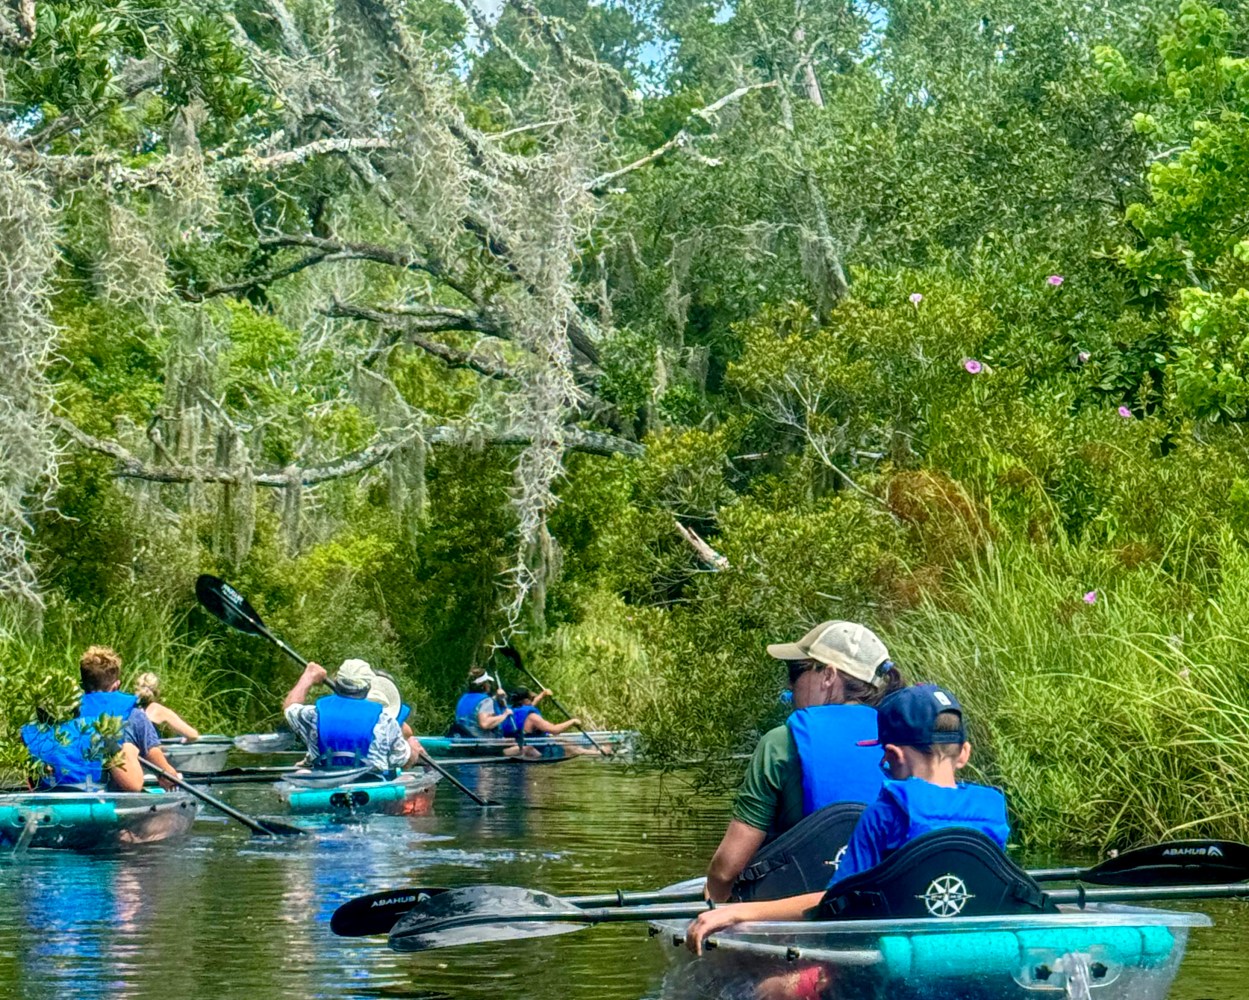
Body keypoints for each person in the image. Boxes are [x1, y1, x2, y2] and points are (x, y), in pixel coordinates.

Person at [684, 684, 1010, 961]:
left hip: (890, 966)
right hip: (967, 959)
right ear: (964, 752)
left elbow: (830, 904)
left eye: (884, 758)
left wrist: (738, 912)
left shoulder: (886, 813)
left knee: (770, 990)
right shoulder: (993, 810)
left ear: (893, 755)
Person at [704, 621, 905, 902]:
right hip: (882, 902)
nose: (789, 683)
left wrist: (711, 910)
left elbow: (726, 869)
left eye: (796, 671)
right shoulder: (907, 741)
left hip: (799, 908)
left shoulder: (780, 742)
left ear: (828, 676)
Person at [21, 646, 181, 791]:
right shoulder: (134, 715)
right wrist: (170, 775)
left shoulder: (71, 714)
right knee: (131, 753)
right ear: (116, 685)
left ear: (82, 686)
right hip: (110, 800)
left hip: (58, 797)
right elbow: (162, 766)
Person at [282, 659, 424, 771]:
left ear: (337, 682)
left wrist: (309, 676)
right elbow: (400, 760)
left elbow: (289, 707)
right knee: (408, 775)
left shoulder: (314, 715)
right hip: (371, 787)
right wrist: (412, 751)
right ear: (368, 688)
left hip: (326, 783)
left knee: (301, 771)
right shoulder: (385, 721)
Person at [134, 671, 200, 742]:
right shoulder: (158, 710)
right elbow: (193, 735)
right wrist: (184, 740)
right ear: (157, 691)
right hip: (150, 751)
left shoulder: (132, 707)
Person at [451, 668, 513, 739]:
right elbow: (484, 724)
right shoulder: (486, 701)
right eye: (488, 682)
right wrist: (505, 715)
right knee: (523, 748)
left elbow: (478, 706)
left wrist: (496, 698)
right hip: (482, 742)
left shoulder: (464, 698)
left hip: (463, 737)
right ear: (484, 685)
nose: (489, 685)